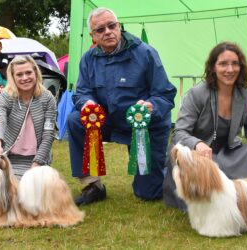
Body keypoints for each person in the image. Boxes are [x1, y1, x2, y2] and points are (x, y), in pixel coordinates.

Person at [67, 7, 176, 206]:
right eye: (100, 30)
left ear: (119, 27)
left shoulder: (146, 53)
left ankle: (167, 173)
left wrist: (151, 105)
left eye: (112, 26)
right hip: (107, 120)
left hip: (144, 125)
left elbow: (165, 94)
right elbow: (82, 92)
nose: (108, 31)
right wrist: (88, 103)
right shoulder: (88, 59)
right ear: (93, 36)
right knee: (76, 119)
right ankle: (92, 186)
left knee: (149, 193)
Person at [163, 42, 247, 211]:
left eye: (235, 63)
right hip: (198, 156)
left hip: (229, 153)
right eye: (223, 64)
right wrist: (197, 144)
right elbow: (179, 132)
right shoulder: (197, 93)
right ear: (213, 67)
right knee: (190, 164)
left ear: (241, 66)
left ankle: (246, 197)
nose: (230, 69)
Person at [0, 55, 57, 179]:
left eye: (28, 73)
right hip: (8, 157)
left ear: (36, 73)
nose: (25, 78)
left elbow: (48, 134)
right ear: (12, 77)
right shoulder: (4, 98)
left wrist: (37, 164)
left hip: (37, 159)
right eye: (19, 74)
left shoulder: (48, 98)